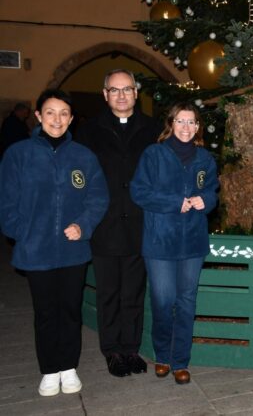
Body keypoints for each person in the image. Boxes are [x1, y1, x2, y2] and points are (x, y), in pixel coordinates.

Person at [0, 89, 108, 397]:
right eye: (50, 112)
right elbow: (7, 201)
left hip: (73, 251)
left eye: (63, 113)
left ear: (71, 119)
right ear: (38, 116)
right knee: (46, 312)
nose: (57, 119)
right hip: (36, 252)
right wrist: (23, 232)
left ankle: (68, 366)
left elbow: (98, 197)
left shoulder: (84, 157)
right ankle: (49, 368)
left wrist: (83, 225)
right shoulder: (19, 154)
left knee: (70, 311)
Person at [75, 69, 162, 377]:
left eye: (127, 89)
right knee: (108, 293)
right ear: (105, 94)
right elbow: (80, 180)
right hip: (105, 226)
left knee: (134, 293)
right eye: (115, 90)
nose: (122, 95)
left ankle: (130, 348)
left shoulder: (153, 129)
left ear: (136, 94)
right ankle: (112, 350)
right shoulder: (89, 132)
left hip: (140, 225)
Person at [130, 102, 218, 385]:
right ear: (171, 123)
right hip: (160, 242)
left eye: (192, 122)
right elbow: (139, 192)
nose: (186, 127)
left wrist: (206, 200)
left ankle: (180, 361)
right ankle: (162, 355)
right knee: (163, 300)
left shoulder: (205, 158)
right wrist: (174, 203)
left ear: (197, 127)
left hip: (192, 242)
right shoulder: (154, 155)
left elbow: (212, 190)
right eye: (181, 121)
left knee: (186, 302)